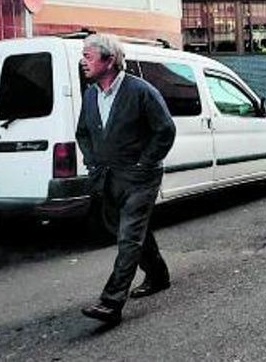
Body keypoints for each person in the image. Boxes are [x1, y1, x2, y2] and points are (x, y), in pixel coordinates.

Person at [75, 34, 176, 325]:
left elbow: (165, 130)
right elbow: (83, 132)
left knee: (128, 236)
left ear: (109, 60)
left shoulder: (140, 91)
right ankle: (158, 276)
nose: (84, 62)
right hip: (107, 177)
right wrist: (92, 161)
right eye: (83, 56)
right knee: (130, 231)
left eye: (89, 56)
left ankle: (111, 303)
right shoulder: (91, 93)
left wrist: (145, 162)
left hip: (140, 178)